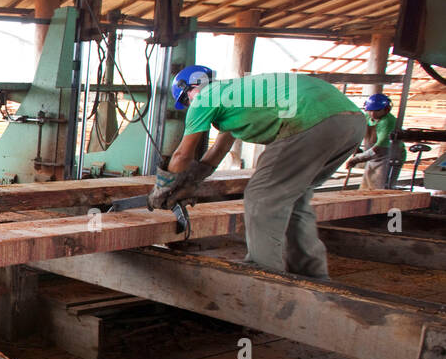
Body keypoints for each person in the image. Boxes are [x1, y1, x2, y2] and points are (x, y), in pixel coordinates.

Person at [149, 70, 366, 280]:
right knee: (296, 196)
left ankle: (263, 273)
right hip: (352, 122)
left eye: (186, 101)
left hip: (310, 119)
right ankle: (310, 273)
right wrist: (192, 182)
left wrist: (164, 187)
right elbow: (216, 153)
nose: (189, 107)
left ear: (191, 89)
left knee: (262, 194)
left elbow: (182, 154)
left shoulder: (205, 96)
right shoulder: (235, 95)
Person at [346, 92, 405, 190]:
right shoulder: (368, 116)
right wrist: (356, 147)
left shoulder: (388, 122)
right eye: (370, 110)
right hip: (372, 156)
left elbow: (379, 148)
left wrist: (357, 158)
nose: (372, 114)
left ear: (387, 109)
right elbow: (359, 131)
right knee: (367, 187)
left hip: (388, 157)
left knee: (380, 189)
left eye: (377, 111)